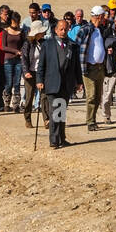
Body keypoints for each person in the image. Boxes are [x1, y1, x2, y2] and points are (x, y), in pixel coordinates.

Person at [37, 17, 82, 148]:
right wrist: (39, 80)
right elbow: (41, 65)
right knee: (55, 111)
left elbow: (76, 66)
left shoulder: (72, 45)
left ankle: (62, 138)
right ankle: (54, 140)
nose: (63, 31)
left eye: (65, 29)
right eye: (60, 29)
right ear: (56, 30)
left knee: (62, 111)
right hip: (51, 83)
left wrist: (79, 82)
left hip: (66, 84)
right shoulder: (47, 44)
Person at [21, 19, 47, 129]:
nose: (44, 33)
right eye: (41, 32)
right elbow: (24, 59)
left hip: (41, 73)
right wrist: (26, 72)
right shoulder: (27, 43)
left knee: (44, 97)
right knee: (29, 97)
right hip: (30, 73)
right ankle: (27, 118)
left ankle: (47, 120)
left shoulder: (44, 43)